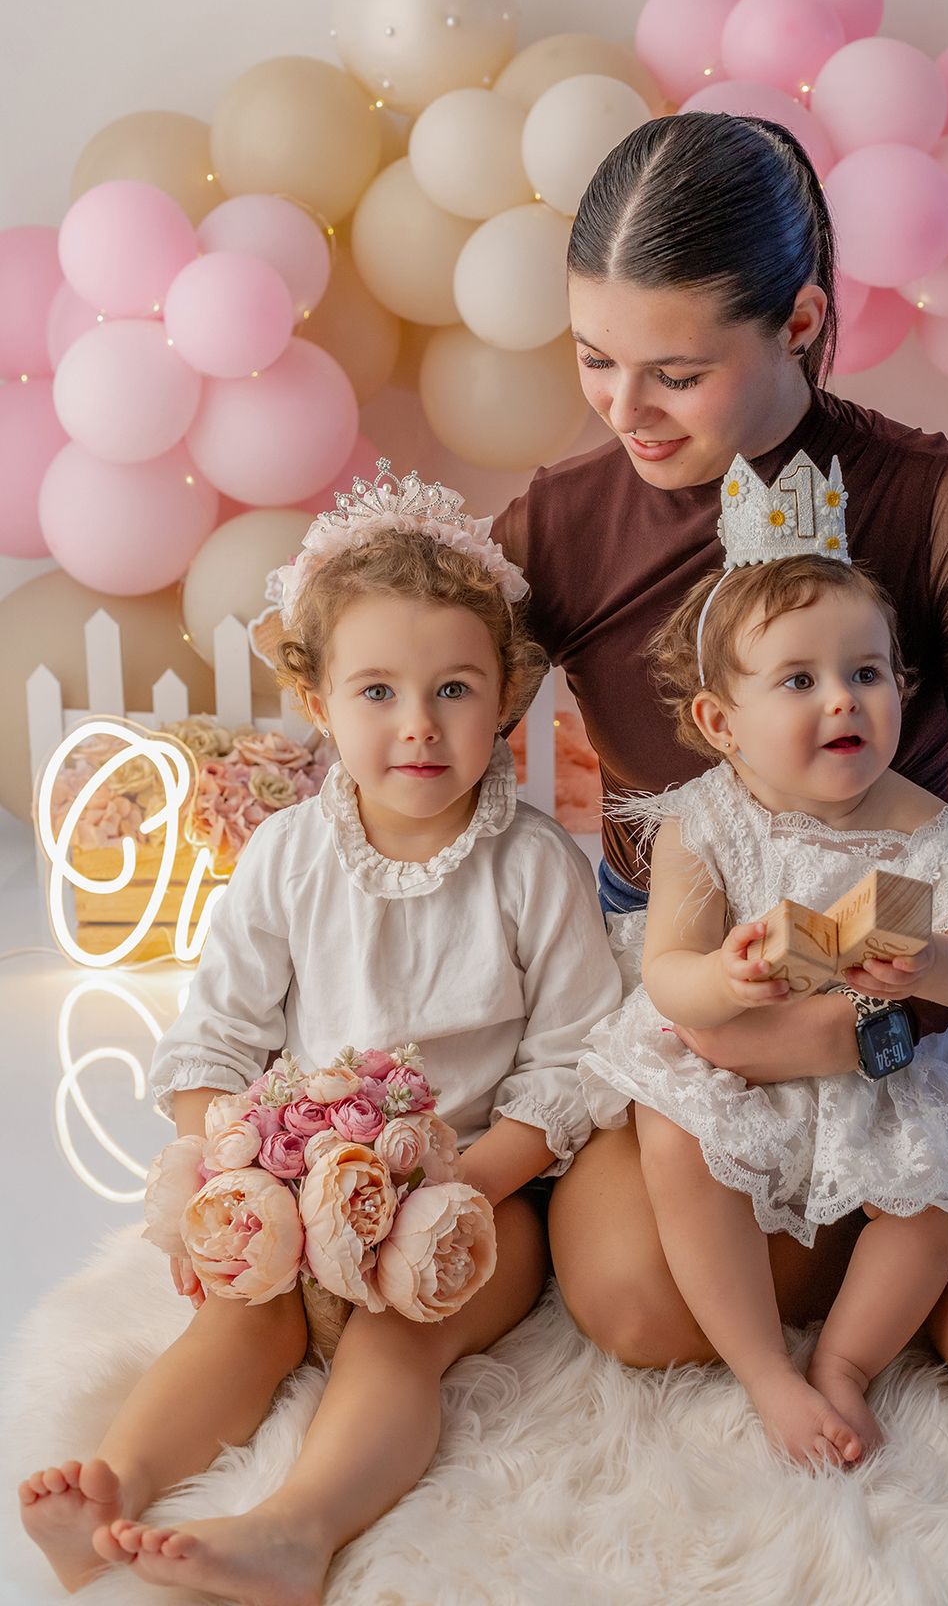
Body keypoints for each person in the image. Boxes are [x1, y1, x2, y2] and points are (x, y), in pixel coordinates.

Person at [494, 111, 948, 1410]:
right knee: (645, 1304)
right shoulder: (561, 522)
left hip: (928, 983)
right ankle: (892, 1252)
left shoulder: (947, 512)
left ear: (803, 323)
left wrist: (883, 1020)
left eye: (676, 372)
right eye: (597, 360)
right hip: (700, 987)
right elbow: (418, 733)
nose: (624, 411)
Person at [18, 465, 622, 1604]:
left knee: (401, 1332)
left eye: (453, 689)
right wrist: (242, 1158)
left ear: (505, 697)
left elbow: (573, 1065)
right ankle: (118, 1483)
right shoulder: (290, 857)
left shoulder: (533, 866)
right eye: (378, 692)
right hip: (301, 1180)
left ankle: (298, 1527)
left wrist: (464, 1179)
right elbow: (213, 1039)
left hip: (473, 1196)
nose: (418, 726)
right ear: (315, 698)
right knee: (241, 1321)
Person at [579, 506, 948, 1467]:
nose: (843, 702)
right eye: (799, 681)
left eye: (866, 673)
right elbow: (669, 976)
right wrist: (725, 975)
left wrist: (935, 963)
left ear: (901, 685)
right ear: (721, 724)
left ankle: (848, 1363)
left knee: (947, 1183)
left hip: (894, 1068)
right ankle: (764, 1365)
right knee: (675, 1130)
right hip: (744, 1058)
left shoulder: (927, 827)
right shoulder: (701, 821)